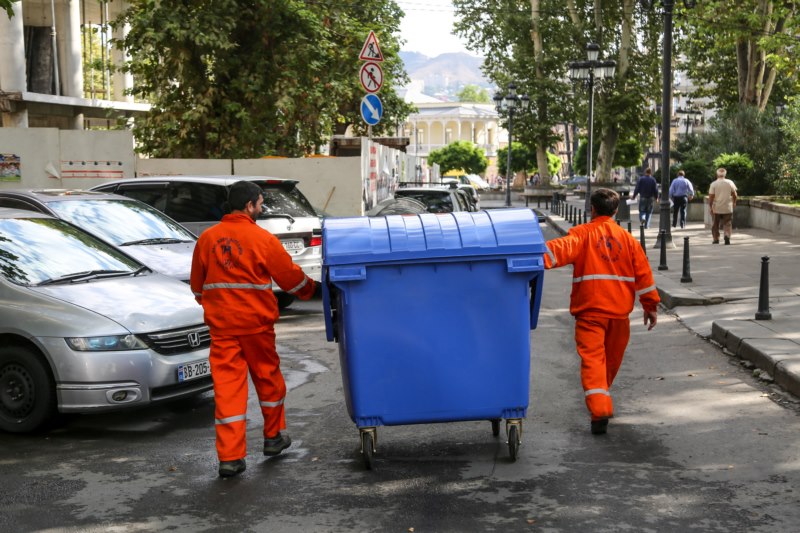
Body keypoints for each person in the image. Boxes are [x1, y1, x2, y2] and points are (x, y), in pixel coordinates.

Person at [190, 180, 318, 478]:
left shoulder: (207, 239)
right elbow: (291, 279)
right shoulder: (263, 239)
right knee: (268, 380)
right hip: (256, 327)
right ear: (249, 205)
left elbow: (198, 287)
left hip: (223, 329)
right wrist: (312, 290)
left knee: (228, 391)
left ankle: (230, 458)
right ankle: (273, 437)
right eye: (260, 203)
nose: (261, 208)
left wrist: (219, 306)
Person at [543, 188, 660, 435]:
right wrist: (650, 307)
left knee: (594, 361)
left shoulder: (582, 234)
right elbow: (644, 276)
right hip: (619, 315)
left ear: (592, 209)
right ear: (616, 211)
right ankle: (600, 402)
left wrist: (521, 256)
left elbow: (554, 252)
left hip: (590, 313)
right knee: (610, 363)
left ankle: (600, 407)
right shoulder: (628, 240)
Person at [708, 167, 738, 245]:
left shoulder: (713, 184)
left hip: (716, 207)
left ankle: (716, 239)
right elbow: (735, 194)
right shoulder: (730, 182)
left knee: (715, 224)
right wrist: (734, 202)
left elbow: (711, 197)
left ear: (717, 174)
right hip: (727, 206)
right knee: (727, 223)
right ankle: (727, 235)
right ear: (725, 174)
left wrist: (710, 206)